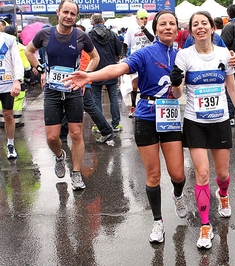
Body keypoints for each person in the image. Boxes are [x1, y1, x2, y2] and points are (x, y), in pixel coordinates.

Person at [63, 10, 188, 244]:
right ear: (156, 28)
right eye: (163, 24)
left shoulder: (183, 56)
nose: (168, 27)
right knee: (153, 174)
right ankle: (158, 222)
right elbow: (118, 68)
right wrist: (90, 77)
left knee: (178, 174)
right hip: (146, 117)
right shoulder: (145, 53)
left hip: (170, 116)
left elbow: (194, 77)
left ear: (177, 29)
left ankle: (178, 195)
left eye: (172, 24)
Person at [170, 11, 235, 249]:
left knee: (222, 175)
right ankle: (205, 226)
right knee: (202, 174)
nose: (200, 27)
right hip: (195, 122)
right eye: (195, 24)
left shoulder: (226, 55)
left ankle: (223, 195)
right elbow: (177, 94)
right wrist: (176, 82)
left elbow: (233, 89)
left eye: (204, 23)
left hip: (220, 120)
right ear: (191, 30)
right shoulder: (184, 56)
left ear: (212, 28)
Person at [25, 0, 100, 190]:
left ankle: (76, 173)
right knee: (52, 137)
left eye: (72, 14)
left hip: (73, 91)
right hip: (52, 91)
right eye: (65, 12)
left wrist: (85, 77)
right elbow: (29, 51)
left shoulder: (81, 36)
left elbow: (95, 58)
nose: (68, 16)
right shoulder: (45, 34)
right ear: (58, 12)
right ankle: (60, 156)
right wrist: (41, 70)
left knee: (76, 133)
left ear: (76, 17)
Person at [60, 24, 116, 144]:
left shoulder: (82, 43)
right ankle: (62, 135)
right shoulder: (75, 43)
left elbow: (87, 62)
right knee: (71, 104)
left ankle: (106, 131)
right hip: (75, 80)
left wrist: (86, 81)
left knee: (88, 105)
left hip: (80, 81)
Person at [89, 13, 123, 132]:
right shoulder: (113, 35)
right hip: (111, 70)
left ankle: (99, 125)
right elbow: (119, 51)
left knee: (96, 99)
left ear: (93, 22)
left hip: (95, 70)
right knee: (114, 98)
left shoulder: (89, 36)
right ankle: (116, 124)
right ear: (103, 21)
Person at [124, 8, 154, 118]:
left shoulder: (150, 27)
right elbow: (126, 43)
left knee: (148, 83)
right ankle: (133, 106)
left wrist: (143, 28)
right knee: (135, 85)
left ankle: (146, 106)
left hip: (149, 58)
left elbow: (151, 39)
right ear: (137, 19)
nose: (144, 20)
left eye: (146, 18)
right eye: (142, 18)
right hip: (136, 59)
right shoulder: (131, 29)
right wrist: (123, 56)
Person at [0, 26, 24, 159]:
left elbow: (17, 61)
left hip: (6, 83)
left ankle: (10, 144)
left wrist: (18, 80)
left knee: (8, 115)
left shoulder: (9, 39)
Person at [0, 26, 30, 128]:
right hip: (14, 79)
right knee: (16, 101)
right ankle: (15, 120)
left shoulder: (10, 43)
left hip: (9, 80)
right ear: (15, 33)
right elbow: (25, 64)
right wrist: (27, 76)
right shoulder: (20, 47)